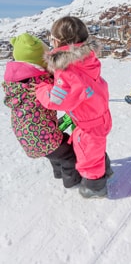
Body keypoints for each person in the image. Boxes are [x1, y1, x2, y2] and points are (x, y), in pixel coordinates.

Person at [34, 16, 113, 198]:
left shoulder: (67, 69)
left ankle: (95, 187)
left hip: (88, 123)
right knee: (95, 148)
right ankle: (105, 170)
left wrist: (42, 89)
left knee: (87, 155)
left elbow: (58, 99)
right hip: (99, 114)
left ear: (58, 41)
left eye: (51, 39)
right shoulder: (87, 58)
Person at [2, 32, 82, 188]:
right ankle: (72, 183)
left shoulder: (17, 82)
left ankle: (58, 173)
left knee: (55, 148)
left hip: (26, 135)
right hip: (40, 135)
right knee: (68, 154)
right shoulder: (39, 81)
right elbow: (59, 87)